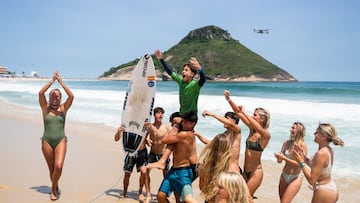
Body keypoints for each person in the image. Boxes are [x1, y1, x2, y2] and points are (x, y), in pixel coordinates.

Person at [224, 90, 271, 198]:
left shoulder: (265, 135)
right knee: (241, 198)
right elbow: (238, 113)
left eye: (255, 115)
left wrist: (244, 111)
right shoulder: (252, 130)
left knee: (246, 198)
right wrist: (229, 99)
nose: (252, 116)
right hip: (245, 171)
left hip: (256, 173)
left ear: (262, 119)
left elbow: (258, 127)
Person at [39, 71, 74, 200]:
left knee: (58, 166)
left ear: (60, 98)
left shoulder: (63, 108)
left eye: (57, 96)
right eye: (53, 95)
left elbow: (71, 96)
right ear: (49, 97)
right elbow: (40, 93)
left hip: (61, 140)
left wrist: (61, 83)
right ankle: (55, 186)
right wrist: (51, 81)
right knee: (52, 168)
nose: (55, 97)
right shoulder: (45, 108)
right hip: (46, 141)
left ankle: (53, 187)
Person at [292, 123, 344, 203]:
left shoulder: (321, 153)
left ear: (323, 136)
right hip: (330, 188)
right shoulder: (328, 149)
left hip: (324, 191)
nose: (314, 134)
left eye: (317, 132)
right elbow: (317, 166)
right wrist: (304, 158)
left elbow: (312, 180)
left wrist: (301, 162)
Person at [157, 111, 199, 203]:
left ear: (192, 124)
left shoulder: (185, 134)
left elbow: (164, 140)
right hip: (176, 169)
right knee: (162, 195)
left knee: (184, 197)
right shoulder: (183, 134)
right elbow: (170, 144)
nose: (173, 125)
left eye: (175, 123)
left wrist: (176, 126)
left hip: (189, 168)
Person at [154, 49, 206, 115]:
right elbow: (170, 71)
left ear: (192, 74)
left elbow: (203, 79)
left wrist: (199, 69)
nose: (183, 71)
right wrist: (161, 59)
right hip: (182, 113)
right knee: (173, 118)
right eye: (183, 70)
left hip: (191, 115)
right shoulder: (180, 80)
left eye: (186, 70)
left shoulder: (195, 85)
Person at [274, 122, 307, 203]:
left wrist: (284, 158)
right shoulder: (286, 143)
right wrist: (279, 157)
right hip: (284, 175)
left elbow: (300, 164)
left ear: (299, 130)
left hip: (296, 177)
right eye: (291, 128)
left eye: (293, 128)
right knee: (282, 200)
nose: (290, 130)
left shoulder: (303, 145)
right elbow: (279, 161)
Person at [114, 126, 150, 202]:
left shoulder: (145, 124)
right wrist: (119, 131)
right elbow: (116, 139)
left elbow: (148, 138)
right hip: (130, 152)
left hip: (142, 152)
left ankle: (140, 192)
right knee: (127, 174)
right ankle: (125, 192)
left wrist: (148, 139)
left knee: (143, 172)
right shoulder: (127, 123)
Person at [144, 107, 170, 202]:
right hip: (152, 153)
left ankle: (165, 194)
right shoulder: (150, 127)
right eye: (158, 113)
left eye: (162, 113)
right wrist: (147, 140)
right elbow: (145, 138)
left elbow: (172, 140)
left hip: (163, 154)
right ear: (154, 115)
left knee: (166, 176)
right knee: (145, 171)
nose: (160, 115)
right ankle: (148, 194)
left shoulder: (166, 127)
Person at [198, 133, 232, 203]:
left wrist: (212, 192)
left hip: (209, 200)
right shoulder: (230, 167)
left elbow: (201, 187)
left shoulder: (205, 165)